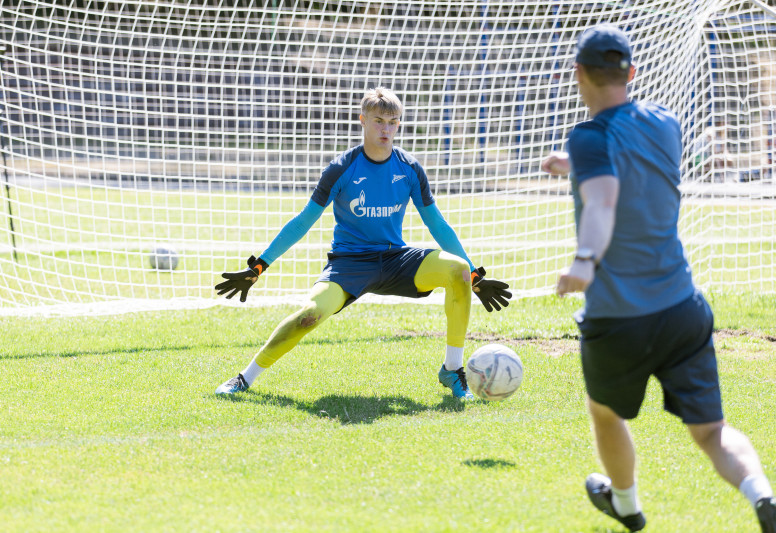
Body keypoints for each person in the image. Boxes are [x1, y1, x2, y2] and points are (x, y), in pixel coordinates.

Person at [541, 24, 775, 532]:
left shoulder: (589, 136)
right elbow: (629, 161)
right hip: (681, 309)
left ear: (578, 73)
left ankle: (626, 504)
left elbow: (604, 200)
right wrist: (573, 165)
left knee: (605, 413)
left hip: (618, 319)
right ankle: (761, 493)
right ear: (632, 73)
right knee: (712, 433)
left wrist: (584, 261)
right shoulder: (665, 122)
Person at [215, 86, 512, 401]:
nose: (386, 129)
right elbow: (303, 221)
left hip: (396, 259)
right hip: (349, 264)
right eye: (379, 121)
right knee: (309, 316)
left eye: (392, 122)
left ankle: (452, 370)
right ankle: (244, 378)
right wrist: (260, 265)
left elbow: (437, 224)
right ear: (363, 120)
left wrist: (473, 274)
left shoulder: (410, 169)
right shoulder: (341, 168)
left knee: (458, 270)